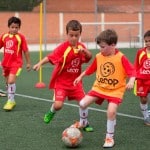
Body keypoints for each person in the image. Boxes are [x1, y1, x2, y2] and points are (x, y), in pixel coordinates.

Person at [73, 29, 136, 148]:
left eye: (103, 47)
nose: (100, 49)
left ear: (113, 45)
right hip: (99, 88)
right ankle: (83, 122)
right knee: (82, 103)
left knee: (111, 112)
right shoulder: (99, 56)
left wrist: (132, 81)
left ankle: (109, 137)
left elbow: (132, 71)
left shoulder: (121, 57)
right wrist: (80, 76)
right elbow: (91, 69)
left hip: (115, 90)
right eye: (99, 47)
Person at [33, 20, 93, 132]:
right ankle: (51, 112)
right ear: (67, 34)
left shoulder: (81, 47)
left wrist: (84, 51)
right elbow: (50, 57)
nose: (74, 38)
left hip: (76, 83)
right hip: (61, 83)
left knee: (83, 103)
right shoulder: (62, 48)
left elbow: (89, 57)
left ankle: (84, 123)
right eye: (71, 35)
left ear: (80, 34)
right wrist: (39, 63)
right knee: (58, 105)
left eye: (77, 35)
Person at [0, 16, 31, 111]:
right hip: (5, 64)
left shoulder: (20, 37)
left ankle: (11, 101)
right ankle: (11, 97)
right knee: (7, 82)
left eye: (16, 27)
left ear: (19, 28)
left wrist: (28, 63)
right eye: (12, 27)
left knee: (11, 81)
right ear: (9, 27)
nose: (14, 29)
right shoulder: (4, 36)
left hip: (16, 64)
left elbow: (25, 50)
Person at [134, 30, 150, 125]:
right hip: (141, 80)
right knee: (143, 99)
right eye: (146, 41)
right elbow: (136, 65)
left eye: (149, 41)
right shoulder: (140, 52)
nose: (148, 43)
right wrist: (133, 78)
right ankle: (146, 116)